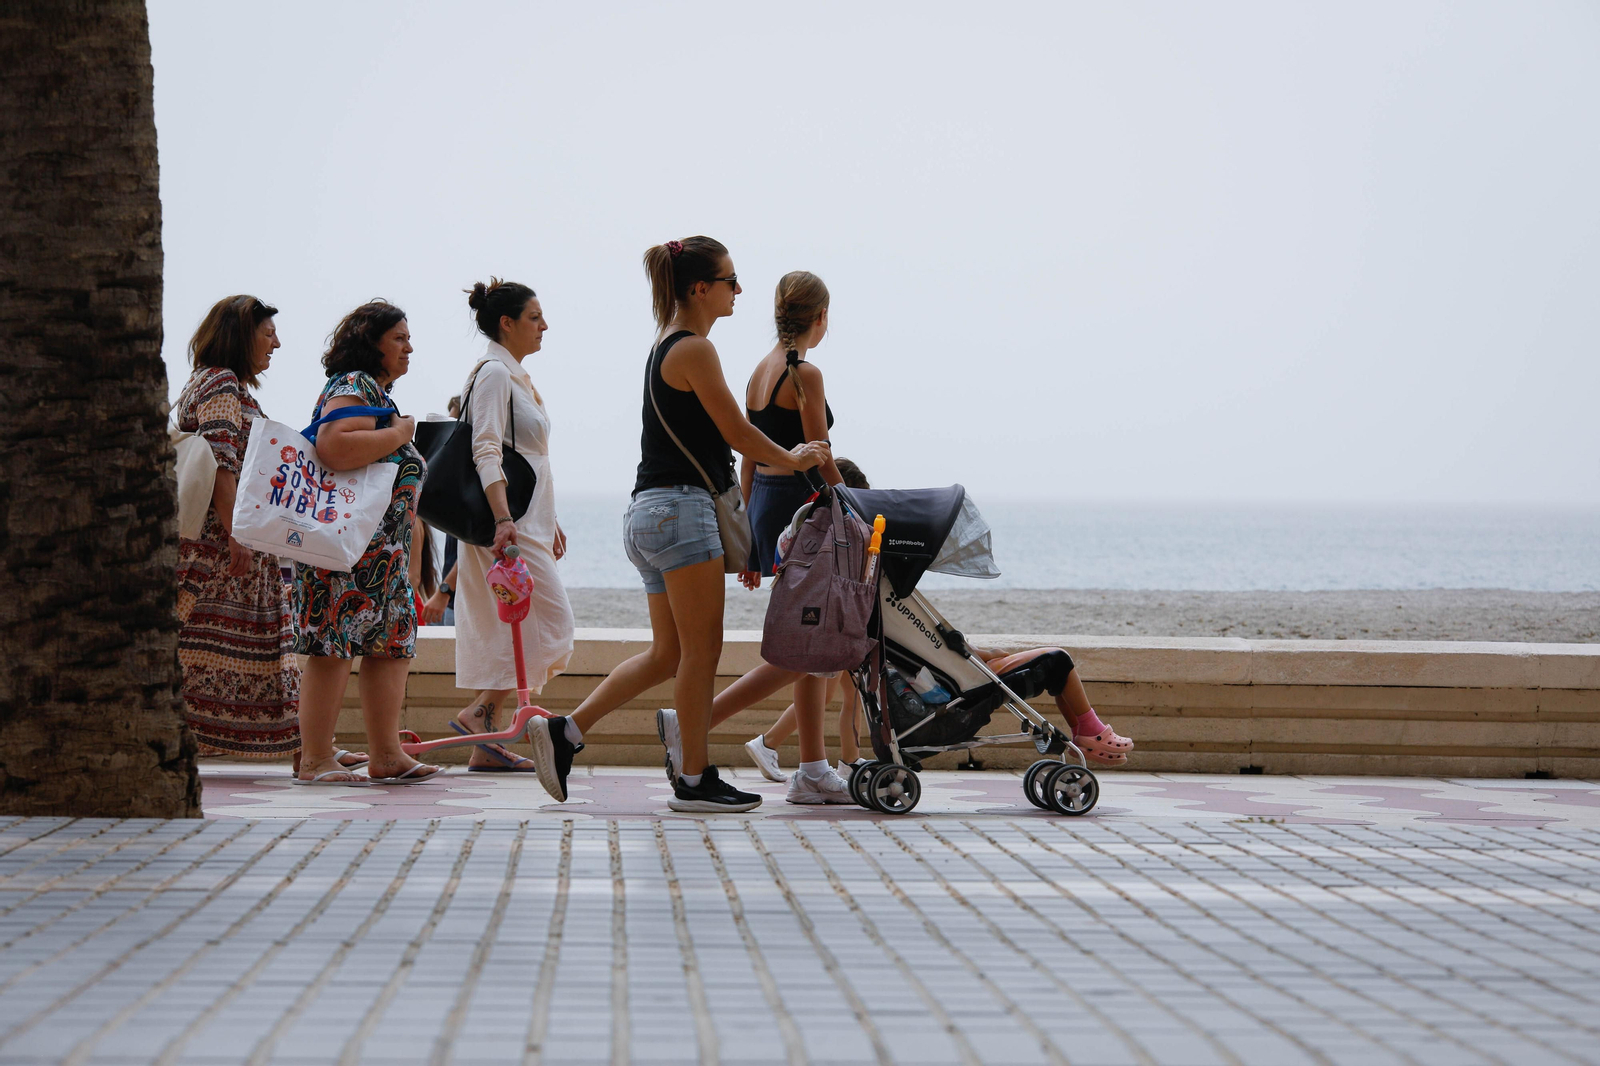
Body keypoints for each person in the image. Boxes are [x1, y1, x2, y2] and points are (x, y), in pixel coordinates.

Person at [530, 236, 829, 811]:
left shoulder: (664, 345)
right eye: (730, 281)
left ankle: (565, 732)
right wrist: (795, 458)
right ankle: (695, 779)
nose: (739, 291)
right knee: (701, 652)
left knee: (667, 653)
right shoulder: (694, 349)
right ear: (700, 288)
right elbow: (737, 434)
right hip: (682, 513)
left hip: (648, 512)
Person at [291, 300, 442, 785]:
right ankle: (315, 758)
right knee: (332, 647)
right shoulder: (352, 385)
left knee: (389, 648)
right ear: (370, 340)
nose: (409, 346)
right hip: (347, 554)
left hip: (383, 556)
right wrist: (398, 433)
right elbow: (334, 444)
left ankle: (387, 754)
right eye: (399, 337)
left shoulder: (375, 393)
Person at [172, 295, 312, 764]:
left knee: (243, 650)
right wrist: (238, 536)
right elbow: (221, 463)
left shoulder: (211, 383)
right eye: (268, 333)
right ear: (241, 333)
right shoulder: (222, 383)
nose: (277, 342)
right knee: (243, 648)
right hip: (220, 546)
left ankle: (307, 747)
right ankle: (307, 750)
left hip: (232, 538)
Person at [449, 279, 575, 778]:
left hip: (527, 519)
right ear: (507, 323)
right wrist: (504, 519)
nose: (544, 326)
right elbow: (485, 448)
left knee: (519, 632)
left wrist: (551, 516)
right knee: (554, 627)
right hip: (507, 524)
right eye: (535, 317)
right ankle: (479, 714)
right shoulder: (496, 373)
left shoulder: (515, 376)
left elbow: (528, 459)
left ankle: (485, 738)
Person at [743, 458, 872, 783]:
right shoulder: (833, 529)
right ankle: (848, 760)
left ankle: (770, 743)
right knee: (850, 693)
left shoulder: (804, 522)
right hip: (834, 617)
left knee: (830, 693)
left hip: (818, 613)